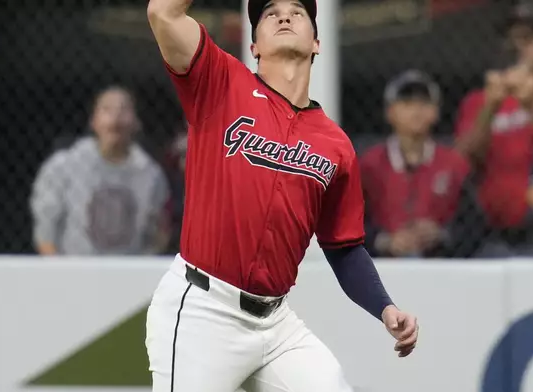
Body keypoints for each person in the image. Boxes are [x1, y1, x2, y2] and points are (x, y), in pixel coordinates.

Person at [144, 0, 419, 391]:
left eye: (298, 11)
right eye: (270, 13)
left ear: (317, 43)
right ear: (253, 46)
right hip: (202, 312)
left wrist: (385, 306)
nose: (285, 16)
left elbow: (344, 247)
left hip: (275, 324)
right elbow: (163, 13)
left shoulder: (335, 144)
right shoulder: (220, 82)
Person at [29, 86, 171, 255]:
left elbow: (160, 231)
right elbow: (45, 228)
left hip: (128, 275)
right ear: (93, 121)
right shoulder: (63, 166)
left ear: (137, 122)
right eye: (107, 109)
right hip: (74, 271)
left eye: (124, 109)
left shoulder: (152, 175)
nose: (116, 116)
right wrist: (59, 274)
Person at [361, 70, 476, 258]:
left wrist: (442, 235)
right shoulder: (369, 165)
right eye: (407, 103)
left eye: (423, 103)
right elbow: (347, 221)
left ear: (436, 112)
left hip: (442, 264)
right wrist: (385, 240)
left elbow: (474, 226)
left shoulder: (454, 165)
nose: (416, 111)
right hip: (381, 265)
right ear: (390, 113)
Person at [454, 3, 533, 256]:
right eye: (515, 38)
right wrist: (490, 108)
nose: (520, 46)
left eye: (529, 37)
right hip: (492, 232)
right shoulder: (481, 99)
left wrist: (530, 103)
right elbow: (461, 162)